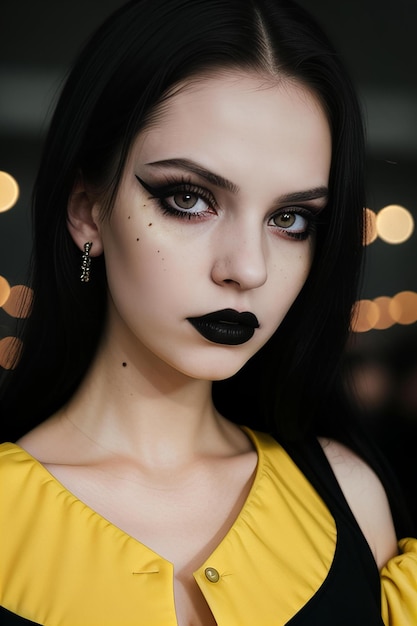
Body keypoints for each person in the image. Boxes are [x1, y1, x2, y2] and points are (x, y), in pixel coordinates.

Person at [0, 0, 416, 624]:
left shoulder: (351, 501)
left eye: (291, 219)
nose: (247, 268)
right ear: (87, 211)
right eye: (189, 199)